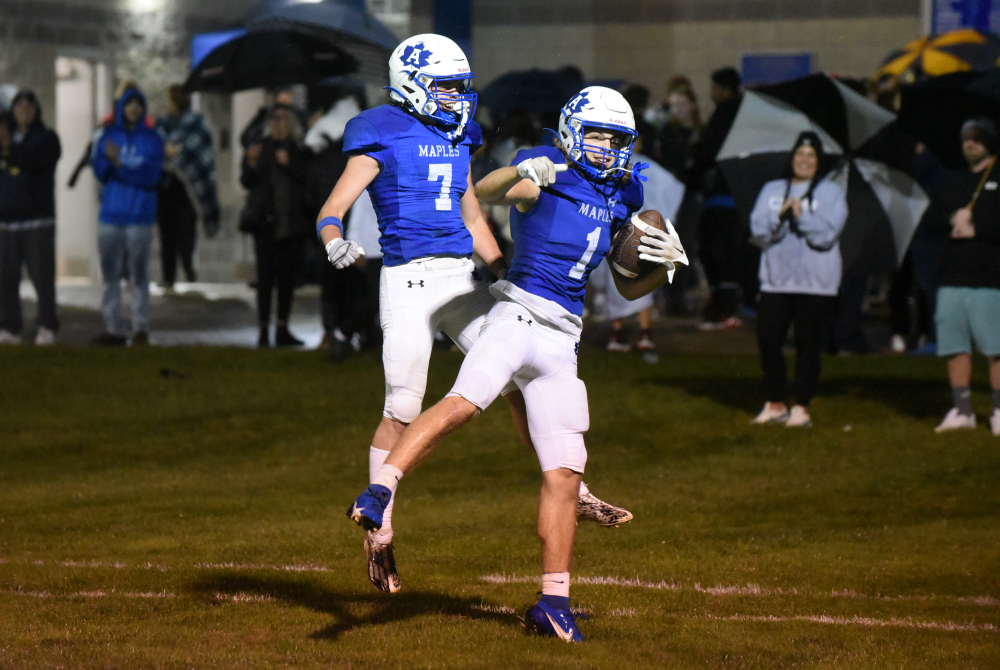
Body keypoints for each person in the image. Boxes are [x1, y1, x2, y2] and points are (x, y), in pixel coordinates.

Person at [346, 86, 685, 641]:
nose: (605, 147)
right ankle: (380, 490)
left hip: (563, 342)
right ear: (574, 131)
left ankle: (554, 603)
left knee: (565, 475)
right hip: (518, 315)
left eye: (616, 139)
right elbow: (486, 190)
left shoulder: (628, 190)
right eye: (596, 135)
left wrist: (662, 267)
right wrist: (521, 169)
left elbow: (627, 290)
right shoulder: (552, 169)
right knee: (463, 403)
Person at [316, 35, 634, 596]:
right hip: (408, 280)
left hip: (461, 275)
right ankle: (380, 529)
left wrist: (498, 266)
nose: (458, 97)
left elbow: (472, 211)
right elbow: (334, 206)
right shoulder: (380, 131)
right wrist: (334, 238)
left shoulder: (460, 132)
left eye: (461, 86)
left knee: (517, 377)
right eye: (446, 86)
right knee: (402, 406)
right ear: (412, 83)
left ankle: (570, 488)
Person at [749, 132, 848, 428]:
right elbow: (758, 231)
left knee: (808, 344)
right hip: (775, 280)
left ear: (819, 162)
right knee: (768, 340)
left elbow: (827, 235)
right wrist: (778, 217)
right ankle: (775, 402)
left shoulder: (831, 192)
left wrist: (801, 215)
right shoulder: (772, 189)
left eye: (811, 156)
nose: (804, 160)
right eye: (799, 154)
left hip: (816, 282)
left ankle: (801, 407)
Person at [923, 118, 1000, 436]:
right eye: (967, 138)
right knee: (955, 346)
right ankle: (963, 409)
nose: (971, 143)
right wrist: (951, 218)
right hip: (952, 275)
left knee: (995, 347)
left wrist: (977, 226)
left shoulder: (998, 177)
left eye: (978, 138)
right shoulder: (952, 180)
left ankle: (998, 411)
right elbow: (930, 219)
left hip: (989, 276)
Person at [91, 87, 164, 346]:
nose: (133, 108)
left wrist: (119, 166)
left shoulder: (153, 139)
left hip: (139, 216)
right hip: (111, 215)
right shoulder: (108, 136)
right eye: (128, 104)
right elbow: (100, 171)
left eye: (137, 104)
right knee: (111, 275)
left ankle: (140, 326)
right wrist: (111, 163)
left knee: (138, 274)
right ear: (121, 107)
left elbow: (151, 176)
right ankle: (113, 327)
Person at [241, 104, 312, 348]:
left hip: (291, 225)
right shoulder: (261, 149)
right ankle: (263, 330)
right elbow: (248, 181)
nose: (279, 124)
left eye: (283, 120)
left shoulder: (298, 150)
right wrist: (251, 163)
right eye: (275, 120)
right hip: (265, 224)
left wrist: (289, 165)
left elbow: (305, 180)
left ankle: (282, 328)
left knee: (286, 280)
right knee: (265, 278)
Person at [0, 90, 62, 345]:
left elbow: (31, 161)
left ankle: (47, 326)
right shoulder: (7, 139)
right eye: (18, 106)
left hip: (37, 221)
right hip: (6, 222)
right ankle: (10, 327)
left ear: (36, 110)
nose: (23, 110)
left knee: (42, 278)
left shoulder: (47, 138)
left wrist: (8, 147)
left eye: (28, 106)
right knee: (6, 279)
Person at [691, 67, 744, 329]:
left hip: (721, 196)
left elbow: (707, 152)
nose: (711, 94)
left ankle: (724, 311)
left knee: (717, 254)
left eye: (714, 88)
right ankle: (730, 309)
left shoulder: (725, 113)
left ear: (723, 88)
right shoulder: (745, 112)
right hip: (737, 196)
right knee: (728, 255)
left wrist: (694, 176)